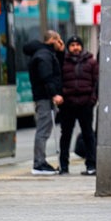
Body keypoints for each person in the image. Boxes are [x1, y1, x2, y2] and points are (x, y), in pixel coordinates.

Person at [23, 30, 65, 175]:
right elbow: (46, 76)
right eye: (58, 40)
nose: (60, 42)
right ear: (53, 39)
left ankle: (40, 161)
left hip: (44, 96)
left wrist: (61, 51)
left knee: (44, 129)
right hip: (45, 97)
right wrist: (54, 94)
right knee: (43, 130)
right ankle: (39, 163)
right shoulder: (44, 56)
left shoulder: (45, 53)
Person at [58, 35, 99, 176]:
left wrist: (92, 100)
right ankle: (63, 166)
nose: (75, 47)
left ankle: (91, 165)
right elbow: (59, 81)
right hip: (67, 105)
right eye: (72, 45)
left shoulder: (91, 62)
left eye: (77, 44)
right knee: (65, 136)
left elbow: (96, 82)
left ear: (81, 46)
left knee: (88, 135)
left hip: (85, 104)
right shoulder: (62, 62)